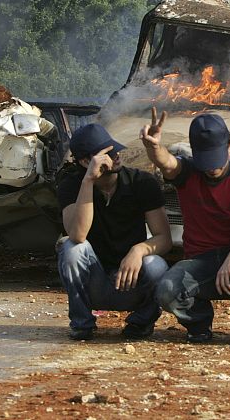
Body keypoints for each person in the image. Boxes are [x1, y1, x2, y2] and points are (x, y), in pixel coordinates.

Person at [140, 108, 230, 349]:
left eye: (216, 158)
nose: (212, 168)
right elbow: (167, 163)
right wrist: (154, 147)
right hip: (201, 263)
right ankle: (199, 323)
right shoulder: (188, 172)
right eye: (205, 159)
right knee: (166, 290)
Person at [56, 123, 172, 341]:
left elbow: (164, 239)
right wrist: (88, 181)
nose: (116, 156)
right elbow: (78, 235)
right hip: (94, 280)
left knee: (156, 264)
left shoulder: (141, 182)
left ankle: (141, 322)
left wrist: (138, 251)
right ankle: (82, 324)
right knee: (71, 248)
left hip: (131, 280)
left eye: (115, 150)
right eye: (107, 153)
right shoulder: (71, 186)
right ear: (84, 161)